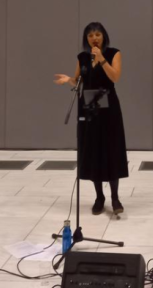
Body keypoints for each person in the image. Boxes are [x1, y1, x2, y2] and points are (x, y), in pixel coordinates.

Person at [54, 22, 129, 215]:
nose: (94, 38)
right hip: (89, 107)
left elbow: (115, 77)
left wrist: (102, 59)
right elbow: (78, 81)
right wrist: (68, 80)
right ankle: (99, 197)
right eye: (90, 35)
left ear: (104, 36)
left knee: (111, 149)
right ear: (86, 39)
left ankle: (115, 197)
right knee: (94, 149)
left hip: (109, 107)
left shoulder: (113, 53)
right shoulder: (82, 57)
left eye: (97, 34)